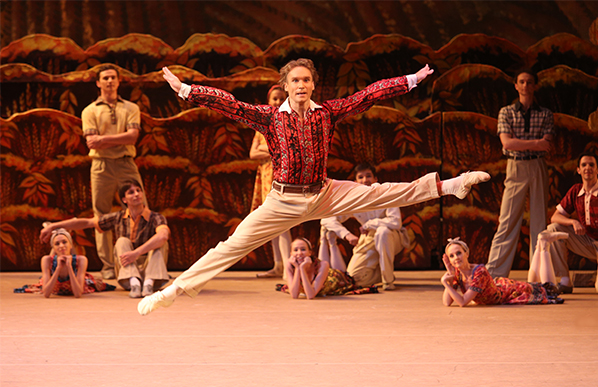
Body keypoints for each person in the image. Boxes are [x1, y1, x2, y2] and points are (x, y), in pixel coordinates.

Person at [138, 58, 490, 315]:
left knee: (381, 192)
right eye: (295, 80)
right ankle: (172, 290)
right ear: (286, 85)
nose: (302, 85)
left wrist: (411, 79)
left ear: (313, 85)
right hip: (282, 200)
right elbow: (229, 104)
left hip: (323, 192)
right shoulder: (270, 117)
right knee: (232, 245)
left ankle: (451, 185)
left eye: (307, 80)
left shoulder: (327, 113)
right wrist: (186, 90)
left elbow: (368, 95)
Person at [40, 180, 170, 298]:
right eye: (131, 192)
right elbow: (86, 223)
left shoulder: (156, 218)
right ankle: (134, 282)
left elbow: (163, 235)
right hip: (127, 272)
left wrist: (136, 253)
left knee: (160, 242)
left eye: (138, 191)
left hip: (153, 273)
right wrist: (53, 226)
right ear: (124, 199)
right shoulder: (119, 217)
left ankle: (148, 283)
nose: (136, 194)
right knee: (122, 241)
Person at [486, 69, 554, 279]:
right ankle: (495, 273)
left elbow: (548, 145)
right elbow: (507, 142)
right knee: (507, 219)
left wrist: (523, 144)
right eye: (522, 82)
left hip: (537, 165)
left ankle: (539, 275)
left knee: (539, 222)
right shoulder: (506, 112)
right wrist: (536, 143)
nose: (525, 86)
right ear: (516, 86)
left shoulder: (545, 113)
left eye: (529, 82)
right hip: (515, 165)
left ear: (534, 86)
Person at [82, 64, 147, 280]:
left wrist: (103, 140)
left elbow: (132, 137)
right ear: (98, 83)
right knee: (101, 215)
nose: (109, 81)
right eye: (105, 78)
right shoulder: (90, 110)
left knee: (138, 210)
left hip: (126, 163)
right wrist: (109, 140)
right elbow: (92, 143)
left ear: (118, 81)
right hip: (100, 166)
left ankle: (138, 261)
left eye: (113, 78)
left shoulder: (130, 108)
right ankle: (108, 265)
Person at [319, 163, 409, 291]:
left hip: (392, 237)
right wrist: (346, 234)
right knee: (355, 278)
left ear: (375, 179)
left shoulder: (386, 193)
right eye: (360, 177)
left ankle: (388, 281)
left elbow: (395, 222)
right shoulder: (354, 200)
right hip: (369, 239)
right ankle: (379, 272)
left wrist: (369, 224)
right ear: (355, 182)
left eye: (368, 176)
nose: (365, 180)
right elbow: (327, 219)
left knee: (382, 232)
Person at [543, 153, 598, 297]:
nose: (587, 168)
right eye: (584, 165)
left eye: (592, 165)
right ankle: (565, 282)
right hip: (589, 243)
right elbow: (555, 217)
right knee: (553, 230)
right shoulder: (576, 191)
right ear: (578, 170)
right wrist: (573, 221)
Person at [441, 237, 563, 307]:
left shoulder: (479, 272)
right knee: (535, 283)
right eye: (451, 256)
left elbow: (462, 302)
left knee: (544, 289)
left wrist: (445, 283)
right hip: (498, 287)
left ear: (466, 254)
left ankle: (544, 245)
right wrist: (450, 276)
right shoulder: (457, 273)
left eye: (458, 253)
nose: (456, 257)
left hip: (508, 292)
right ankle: (541, 244)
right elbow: (447, 302)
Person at [249, 85, 292, 278]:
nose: (277, 102)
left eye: (280, 98)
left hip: (281, 176)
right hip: (266, 176)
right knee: (273, 224)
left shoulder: (289, 123)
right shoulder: (263, 126)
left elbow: (288, 151)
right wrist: (273, 150)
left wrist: (267, 151)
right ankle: (279, 265)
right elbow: (252, 153)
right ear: (268, 101)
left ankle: (289, 268)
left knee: (282, 222)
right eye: (274, 98)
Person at [13, 228, 115, 297]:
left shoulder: (81, 260)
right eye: (57, 244)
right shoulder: (46, 260)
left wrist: (69, 267)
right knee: (49, 268)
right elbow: (46, 293)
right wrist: (58, 268)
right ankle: (55, 232)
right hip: (55, 277)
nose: (61, 246)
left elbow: (78, 293)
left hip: (75, 278)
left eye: (64, 242)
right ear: (53, 247)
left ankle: (63, 233)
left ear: (71, 245)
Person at [277, 238, 376, 299]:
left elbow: (310, 295)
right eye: (295, 250)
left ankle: (331, 242)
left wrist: (302, 269)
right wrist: (298, 269)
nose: (299, 253)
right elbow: (294, 295)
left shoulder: (322, 265)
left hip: (335, 280)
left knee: (343, 274)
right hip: (310, 277)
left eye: (303, 249)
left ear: (310, 253)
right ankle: (326, 239)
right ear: (291, 253)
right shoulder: (290, 264)